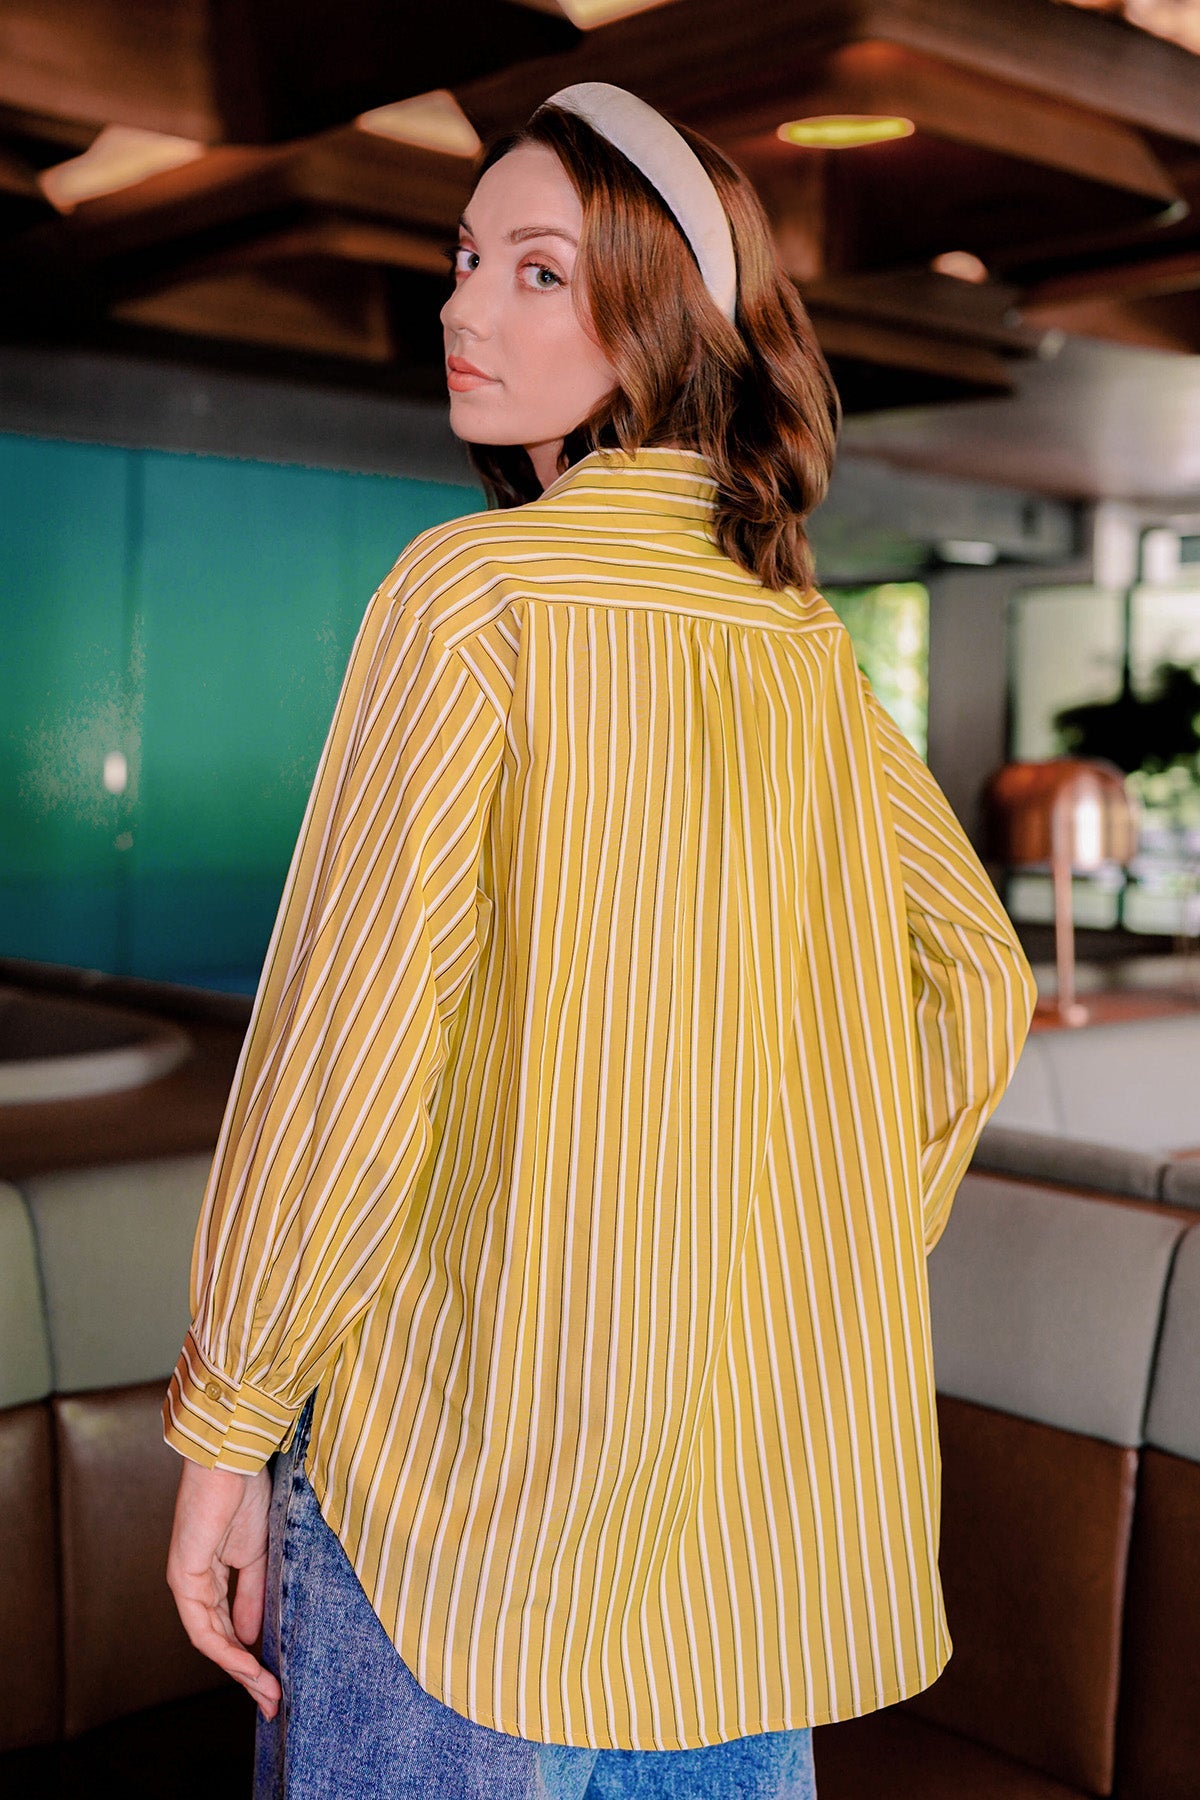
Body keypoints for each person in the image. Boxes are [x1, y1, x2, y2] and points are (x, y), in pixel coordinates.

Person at [164, 81, 1038, 1799]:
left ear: (663, 317)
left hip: (464, 1527)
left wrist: (224, 1429)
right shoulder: (796, 644)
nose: (466, 306)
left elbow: (353, 1061)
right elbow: (977, 978)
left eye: (540, 270)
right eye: (464, 257)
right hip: (750, 1557)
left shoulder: (473, 594)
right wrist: (803, 1238)